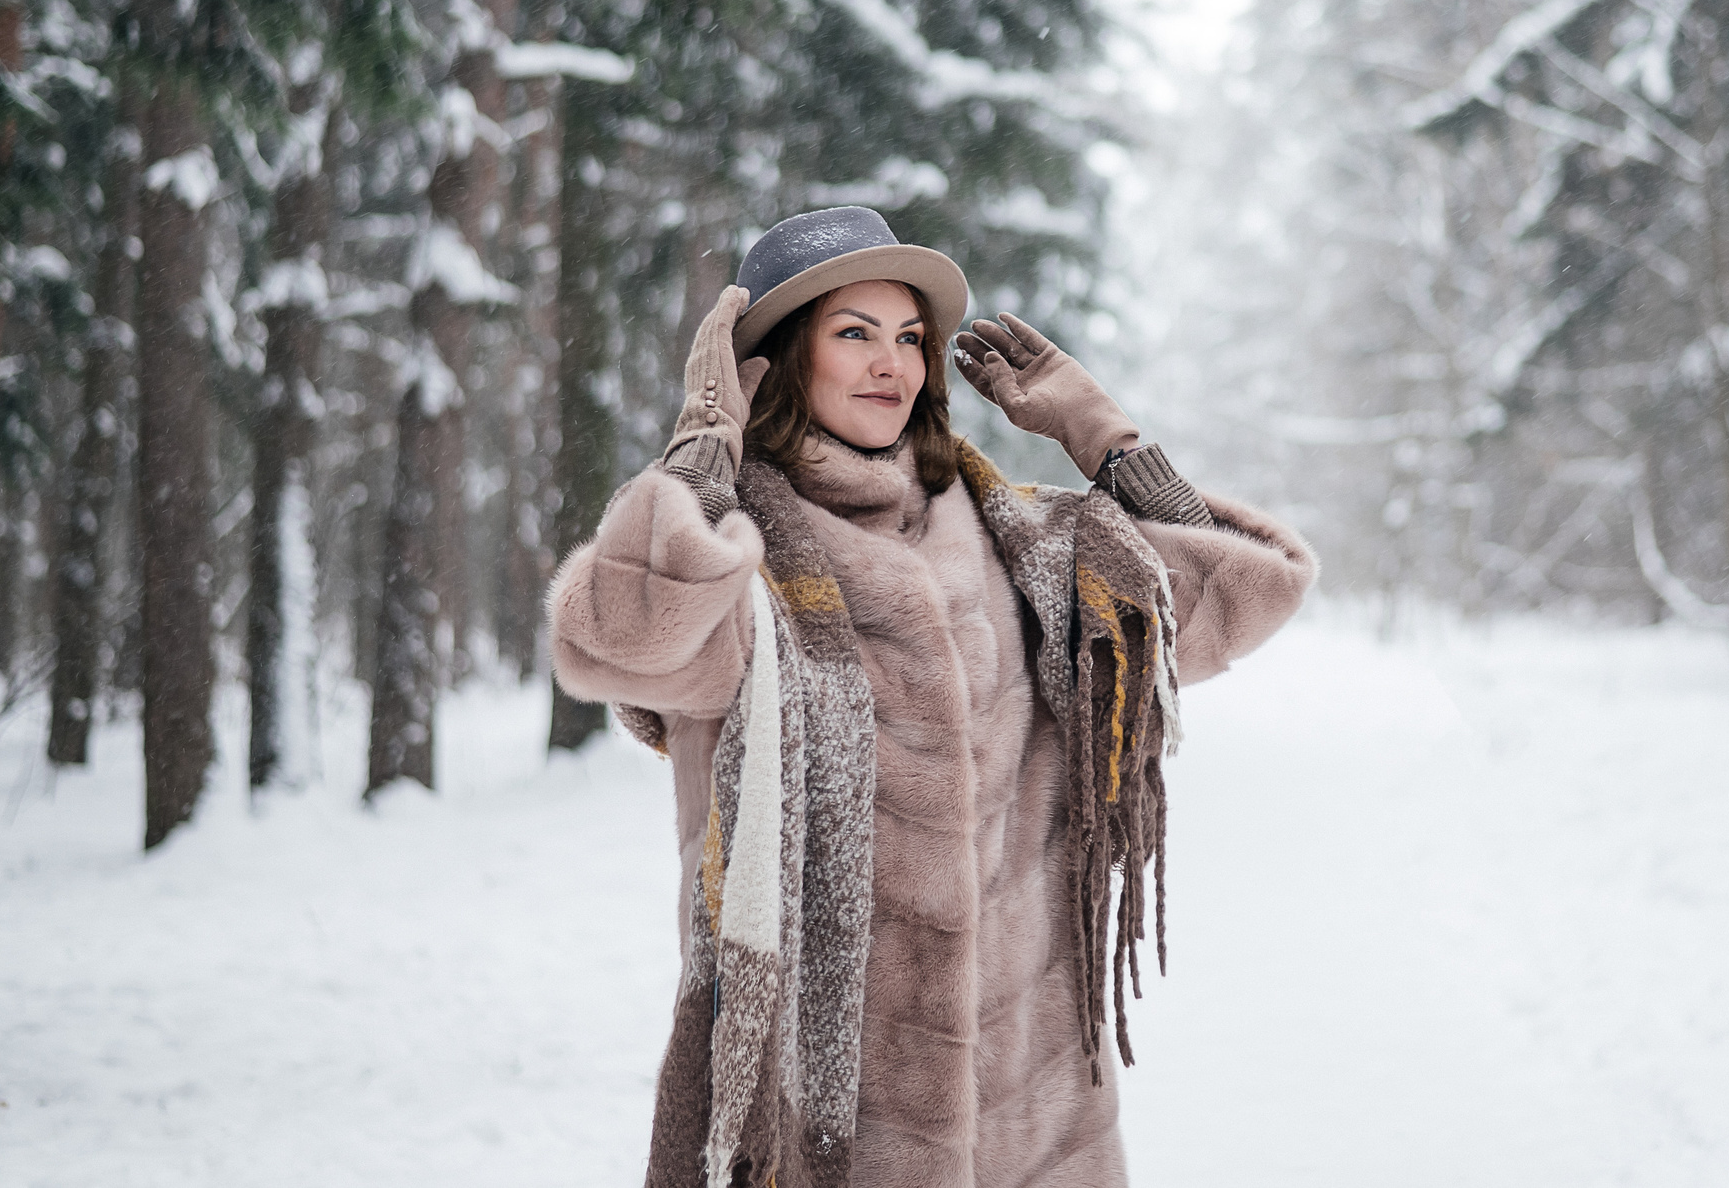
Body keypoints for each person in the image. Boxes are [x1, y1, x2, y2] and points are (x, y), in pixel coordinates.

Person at [546, 206, 1316, 1188]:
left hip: (1033, 1116)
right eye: (853, 332)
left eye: (909, 336)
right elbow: (618, 630)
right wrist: (701, 455)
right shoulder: (734, 561)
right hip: (824, 1128)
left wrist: (1105, 439)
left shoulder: (1019, 541)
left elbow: (1249, 587)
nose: (893, 363)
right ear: (775, 364)